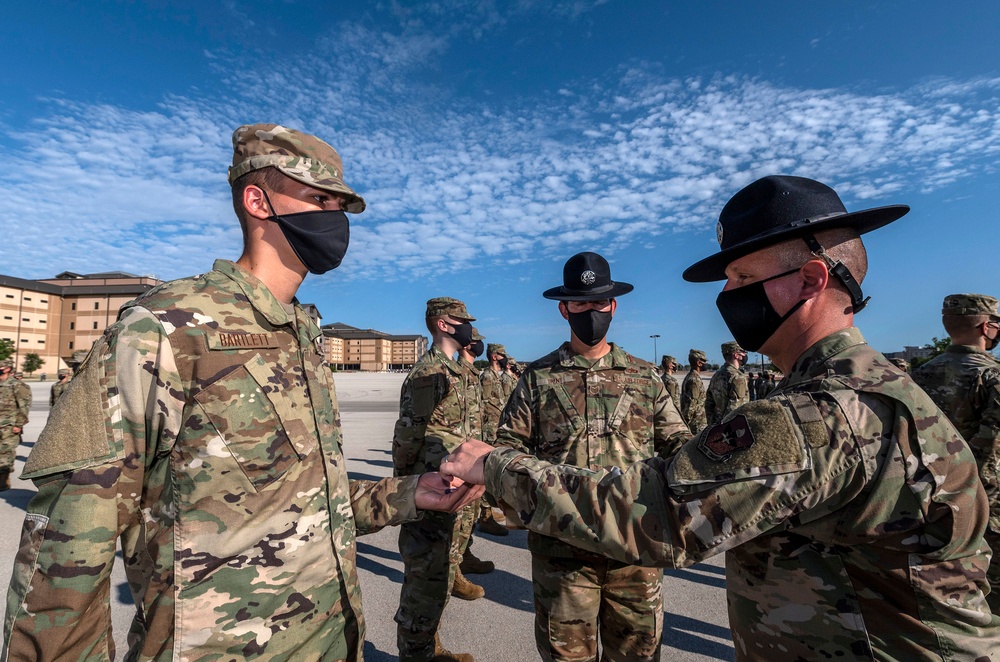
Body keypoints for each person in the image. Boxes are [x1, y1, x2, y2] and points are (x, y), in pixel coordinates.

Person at [440, 174, 1000, 660]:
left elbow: (656, 512)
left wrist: (493, 468)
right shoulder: (866, 387)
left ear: (811, 279)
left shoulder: (816, 413)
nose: (727, 295)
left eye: (740, 277)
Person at [2, 124, 481, 661]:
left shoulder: (302, 337)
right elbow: (66, 551)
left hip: (328, 641)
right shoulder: (166, 327)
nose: (336, 219)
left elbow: (302, 503)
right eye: (319, 199)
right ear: (258, 200)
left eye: (340, 205)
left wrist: (410, 494)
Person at [494, 252, 690, 662]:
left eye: (599, 302)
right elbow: (507, 452)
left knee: (637, 656)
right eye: (581, 303)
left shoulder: (644, 378)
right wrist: (534, 507)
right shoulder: (538, 378)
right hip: (563, 555)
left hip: (635, 550)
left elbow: (679, 449)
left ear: (613, 306)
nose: (591, 311)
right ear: (564, 308)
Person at [392, 297, 483, 662]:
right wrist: (406, 490)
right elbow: (407, 436)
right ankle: (416, 654)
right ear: (444, 324)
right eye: (463, 320)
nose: (469, 328)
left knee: (442, 573)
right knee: (424, 581)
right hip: (431, 490)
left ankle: (430, 648)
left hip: (454, 491)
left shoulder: (456, 371)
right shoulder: (429, 374)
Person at [912, 293, 1000, 611]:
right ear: (987, 326)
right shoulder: (992, 376)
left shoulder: (916, 377)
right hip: (986, 509)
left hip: (929, 502)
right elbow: (992, 451)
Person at [454, 327, 493, 594]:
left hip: (475, 454)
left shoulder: (472, 374)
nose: (479, 345)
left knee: (471, 513)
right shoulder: (454, 373)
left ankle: (464, 556)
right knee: (458, 516)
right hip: (458, 458)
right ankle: (453, 570)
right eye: (477, 340)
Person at [477, 342, 510, 536]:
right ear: (494, 356)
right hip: (490, 428)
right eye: (502, 353)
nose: (504, 356)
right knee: (486, 471)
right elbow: (484, 403)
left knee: (494, 470)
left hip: (497, 426)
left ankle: (488, 509)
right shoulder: (488, 376)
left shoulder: (497, 377)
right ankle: (485, 517)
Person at [0, 359, 31, 492]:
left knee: (5, 453)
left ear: (7, 369)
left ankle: (3, 480)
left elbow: (24, 406)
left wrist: (18, 424)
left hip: (9, 426)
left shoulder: (17, 385)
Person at [705, 340, 749, 425]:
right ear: (736, 355)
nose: (745, 355)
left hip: (716, 425)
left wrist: (713, 424)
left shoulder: (716, 375)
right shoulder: (738, 377)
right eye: (743, 352)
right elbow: (735, 408)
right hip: (731, 428)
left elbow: (709, 403)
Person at [680, 348, 708, 434]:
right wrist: (686, 424)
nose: (706, 364)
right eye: (704, 361)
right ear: (698, 363)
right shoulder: (694, 380)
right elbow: (691, 405)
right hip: (696, 424)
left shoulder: (691, 376)